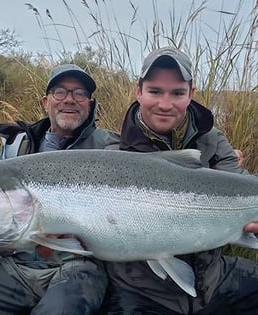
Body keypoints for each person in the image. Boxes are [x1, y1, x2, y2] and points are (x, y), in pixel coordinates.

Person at [0, 64, 120, 315]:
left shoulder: (112, 148)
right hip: (17, 264)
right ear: (45, 102)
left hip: (80, 268)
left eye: (79, 93)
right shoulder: (17, 147)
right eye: (60, 92)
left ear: (90, 103)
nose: (70, 100)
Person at [101, 47, 258, 314]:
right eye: (155, 92)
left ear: (190, 95)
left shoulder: (212, 140)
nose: (165, 104)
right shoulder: (113, 156)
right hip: (141, 293)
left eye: (177, 93)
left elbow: (239, 183)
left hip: (214, 278)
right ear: (138, 91)